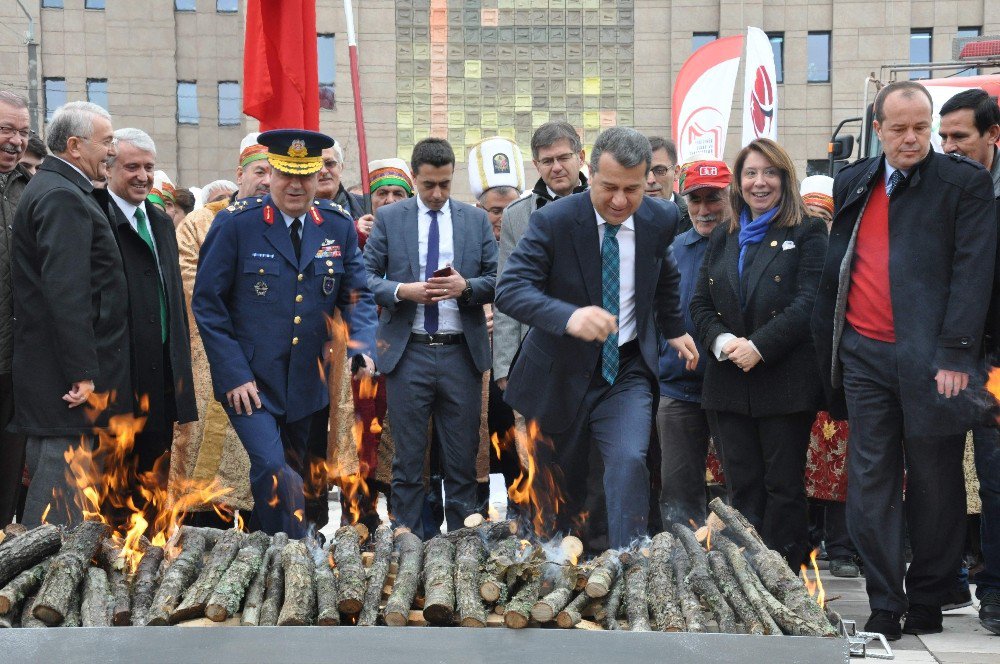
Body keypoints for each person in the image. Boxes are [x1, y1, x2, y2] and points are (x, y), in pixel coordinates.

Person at [811, 81, 996, 640]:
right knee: (870, 481)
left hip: (935, 361)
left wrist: (956, 353)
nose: (912, 138)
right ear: (878, 127)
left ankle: (929, 597)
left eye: (921, 127)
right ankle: (884, 600)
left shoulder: (963, 184)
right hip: (865, 354)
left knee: (937, 483)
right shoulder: (854, 181)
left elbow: (973, 271)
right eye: (899, 128)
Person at [496, 126, 698, 548]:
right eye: (609, 187)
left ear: (649, 180)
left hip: (625, 369)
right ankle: (552, 574)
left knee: (628, 460)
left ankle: (631, 561)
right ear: (590, 170)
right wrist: (569, 317)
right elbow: (510, 290)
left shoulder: (661, 218)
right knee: (558, 490)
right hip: (558, 372)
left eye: (633, 189)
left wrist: (674, 328)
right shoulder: (553, 221)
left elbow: (663, 273)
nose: (620, 201)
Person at [193, 128, 378, 537]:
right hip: (251, 381)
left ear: (318, 177)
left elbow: (356, 294)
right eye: (285, 175)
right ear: (271, 174)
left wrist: (362, 345)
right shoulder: (235, 224)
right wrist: (234, 373)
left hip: (307, 382)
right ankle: (295, 556)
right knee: (274, 469)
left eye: (305, 176)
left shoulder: (335, 226)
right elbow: (208, 303)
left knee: (294, 475)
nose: (295, 186)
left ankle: (266, 556)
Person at [690, 138, 828, 570]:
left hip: (784, 382)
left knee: (783, 487)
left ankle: (787, 573)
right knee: (741, 486)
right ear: (739, 181)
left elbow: (810, 302)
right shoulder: (724, 234)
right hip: (728, 382)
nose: (759, 182)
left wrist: (759, 346)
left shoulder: (806, 231)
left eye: (769, 172)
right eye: (751, 173)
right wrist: (722, 342)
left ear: (785, 178)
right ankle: (747, 575)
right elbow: (699, 304)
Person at [363, 137, 497, 536]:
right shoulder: (392, 219)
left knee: (462, 457)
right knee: (407, 458)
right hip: (410, 353)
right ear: (415, 178)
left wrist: (466, 287)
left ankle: (461, 543)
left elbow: (496, 279)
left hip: (461, 354)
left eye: (444, 184)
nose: (437, 194)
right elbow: (366, 278)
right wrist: (403, 291)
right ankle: (407, 541)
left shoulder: (474, 221)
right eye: (428, 185)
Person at [11, 101, 131, 526]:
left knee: (67, 484)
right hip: (63, 378)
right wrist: (81, 369)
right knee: (58, 487)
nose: (113, 151)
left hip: (58, 371)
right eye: (107, 142)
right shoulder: (62, 196)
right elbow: (66, 291)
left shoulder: (62, 189)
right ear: (76, 146)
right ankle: (39, 581)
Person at [170, 135, 269, 526]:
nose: (267, 180)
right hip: (204, 355)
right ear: (240, 173)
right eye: (260, 170)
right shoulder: (200, 221)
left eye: (275, 172)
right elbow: (186, 276)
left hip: (265, 359)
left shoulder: (283, 220)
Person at [938, 87, 1000, 634]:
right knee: (937, 471)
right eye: (944, 137)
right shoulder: (934, 188)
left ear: (993, 136)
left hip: (995, 358)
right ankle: (945, 582)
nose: (948, 147)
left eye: (961, 137)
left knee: (996, 472)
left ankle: (996, 591)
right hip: (940, 357)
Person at [106, 128, 196, 493]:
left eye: (148, 167)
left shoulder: (160, 221)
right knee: (114, 482)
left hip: (161, 373)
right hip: (121, 373)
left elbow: (172, 297)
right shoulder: (99, 216)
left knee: (153, 480)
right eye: (132, 167)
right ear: (109, 167)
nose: (142, 176)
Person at [656, 159, 731, 527]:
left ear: (729, 196)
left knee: (738, 486)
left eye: (713, 198)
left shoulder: (743, 245)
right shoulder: (670, 251)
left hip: (735, 388)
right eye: (695, 199)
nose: (704, 209)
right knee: (678, 491)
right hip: (678, 390)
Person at [493, 121, 588, 392]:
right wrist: (505, 365)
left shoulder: (605, 206)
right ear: (536, 165)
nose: (556, 167)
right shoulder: (517, 215)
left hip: (594, 349)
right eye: (547, 160)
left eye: (563, 157)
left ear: (580, 157)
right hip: (536, 351)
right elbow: (506, 293)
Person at [798, 175, 860, 579]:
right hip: (797, 374)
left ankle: (842, 547)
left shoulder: (848, 255)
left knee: (842, 466)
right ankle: (803, 543)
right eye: (811, 215)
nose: (818, 223)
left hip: (835, 377)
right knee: (798, 464)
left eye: (825, 216)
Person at [0, 90, 32, 526]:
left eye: (23, 131)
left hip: (17, 359)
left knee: (9, 467)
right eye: (7, 129)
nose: (16, 140)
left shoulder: (30, 188)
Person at [469, 136, 525, 240]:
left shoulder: (533, 244)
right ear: (479, 210)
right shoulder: (467, 245)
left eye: (512, 210)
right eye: (496, 211)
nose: (504, 219)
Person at [645, 137, 691, 234]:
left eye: (660, 170)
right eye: (643, 171)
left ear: (676, 172)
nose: (650, 180)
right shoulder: (621, 219)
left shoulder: (695, 220)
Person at [316, 139, 365, 220]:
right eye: (316, 166)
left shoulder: (366, 206)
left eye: (329, 163)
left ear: (341, 167)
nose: (323, 171)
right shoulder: (296, 210)